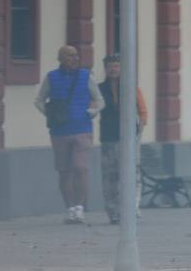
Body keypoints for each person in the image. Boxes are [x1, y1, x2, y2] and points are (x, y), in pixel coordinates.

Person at [34, 44, 104, 224]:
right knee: (64, 171)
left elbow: (98, 99)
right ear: (60, 59)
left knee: (81, 169)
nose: (74, 59)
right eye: (69, 56)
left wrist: (93, 111)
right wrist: (49, 114)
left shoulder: (86, 76)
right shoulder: (51, 77)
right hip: (59, 132)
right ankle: (69, 208)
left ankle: (80, 208)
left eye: (76, 55)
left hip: (82, 129)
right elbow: (39, 100)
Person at [97, 54, 148, 224]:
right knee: (110, 176)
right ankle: (113, 212)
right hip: (108, 137)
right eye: (110, 66)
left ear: (122, 68)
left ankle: (133, 208)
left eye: (116, 66)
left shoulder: (131, 87)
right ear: (105, 69)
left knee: (133, 173)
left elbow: (142, 110)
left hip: (129, 138)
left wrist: (140, 129)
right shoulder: (99, 88)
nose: (113, 69)